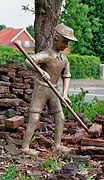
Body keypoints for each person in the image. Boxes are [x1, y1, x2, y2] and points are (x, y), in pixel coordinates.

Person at [21, 23, 78, 157]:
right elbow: (28, 61)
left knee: (60, 117)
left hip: (54, 91)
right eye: (65, 41)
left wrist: (64, 94)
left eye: (68, 42)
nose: (66, 45)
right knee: (34, 117)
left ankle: (57, 145)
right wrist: (40, 71)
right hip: (42, 88)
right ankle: (25, 147)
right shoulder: (46, 55)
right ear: (56, 39)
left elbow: (66, 75)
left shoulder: (64, 59)